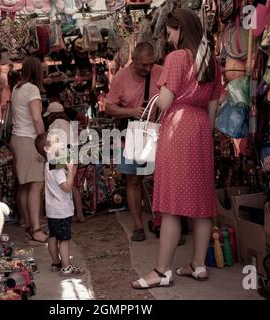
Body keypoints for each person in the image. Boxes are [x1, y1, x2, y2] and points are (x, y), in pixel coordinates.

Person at [132, 9, 223, 289]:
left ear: (180, 29)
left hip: (178, 127)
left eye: (170, 31)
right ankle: (198, 264)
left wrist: (160, 93)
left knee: (171, 204)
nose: (168, 36)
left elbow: (164, 102)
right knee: (201, 202)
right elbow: (213, 104)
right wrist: (205, 133)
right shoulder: (211, 59)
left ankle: (161, 271)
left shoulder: (176, 57)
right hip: (200, 129)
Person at [105, 42, 163, 241]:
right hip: (131, 134)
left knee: (160, 179)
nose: (148, 69)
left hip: (155, 132)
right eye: (144, 65)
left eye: (151, 64)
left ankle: (162, 222)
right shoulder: (121, 77)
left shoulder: (160, 71)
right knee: (134, 179)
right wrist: (130, 111)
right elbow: (108, 108)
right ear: (135, 60)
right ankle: (138, 225)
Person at [35, 132, 85, 276]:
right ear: (47, 149)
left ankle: (55, 263)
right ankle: (66, 266)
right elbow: (67, 187)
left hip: (52, 210)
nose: (62, 143)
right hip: (62, 209)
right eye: (57, 141)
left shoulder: (50, 163)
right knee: (64, 239)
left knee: (53, 236)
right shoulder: (57, 167)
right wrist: (70, 171)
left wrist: (70, 165)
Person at [10, 56, 47, 243]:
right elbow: (36, 117)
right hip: (29, 140)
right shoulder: (32, 89)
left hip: (17, 139)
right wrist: (43, 140)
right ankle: (36, 228)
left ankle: (26, 223)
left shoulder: (17, 89)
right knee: (36, 184)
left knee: (24, 185)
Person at [43, 89, 86, 223]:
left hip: (61, 155)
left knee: (58, 183)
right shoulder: (69, 124)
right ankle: (79, 214)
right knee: (73, 185)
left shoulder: (54, 125)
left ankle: (59, 213)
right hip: (73, 155)